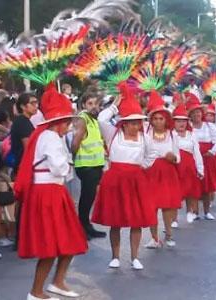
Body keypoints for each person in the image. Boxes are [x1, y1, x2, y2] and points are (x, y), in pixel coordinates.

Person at [14, 82, 87, 300]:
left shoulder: (46, 136)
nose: (69, 125)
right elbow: (60, 168)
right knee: (52, 244)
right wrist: (68, 163)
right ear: (59, 122)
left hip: (52, 192)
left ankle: (57, 282)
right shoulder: (51, 138)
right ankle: (36, 292)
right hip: (49, 193)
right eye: (67, 121)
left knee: (70, 239)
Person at [91, 85, 156, 271]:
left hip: (136, 181)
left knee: (136, 221)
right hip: (115, 182)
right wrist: (115, 105)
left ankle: (135, 257)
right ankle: (115, 256)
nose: (136, 126)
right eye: (133, 123)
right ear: (124, 123)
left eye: (138, 122)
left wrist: (142, 167)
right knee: (116, 220)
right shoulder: (113, 134)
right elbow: (101, 119)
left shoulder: (144, 138)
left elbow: (151, 155)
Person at [142, 91, 182, 248]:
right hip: (150, 173)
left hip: (167, 173)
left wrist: (173, 158)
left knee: (167, 206)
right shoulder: (146, 134)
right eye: (155, 118)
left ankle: (169, 234)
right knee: (151, 206)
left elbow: (178, 156)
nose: (158, 121)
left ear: (166, 120)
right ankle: (154, 238)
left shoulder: (172, 135)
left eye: (161, 118)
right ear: (151, 120)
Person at [70, 92, 107, 239]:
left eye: (96, 103)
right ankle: (82, 228)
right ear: (84, 105)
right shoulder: (83, 119)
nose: (94, 106)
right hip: (86, 165)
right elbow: (75, 143)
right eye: (90, 103)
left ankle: (86, 226)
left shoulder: (93, 120)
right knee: (86, 198)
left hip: (95, 164)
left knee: (90, 197)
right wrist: (73, 158)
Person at [189, 93, 216, 221]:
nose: (196, 115)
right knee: (194, 186)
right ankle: (195, 211)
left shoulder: (209, 126)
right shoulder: (189, 127)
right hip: (193, 158)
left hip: (207, 158)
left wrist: (212, 151)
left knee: (207, 187)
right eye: (194, 113)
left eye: (198, 112)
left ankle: (207, 211)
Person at [172, 99, 204, 230]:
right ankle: (173, 219)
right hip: (175, 168)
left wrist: (200, 169)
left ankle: (190, 211)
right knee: (175, 193)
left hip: (190, 167)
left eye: (183, 121)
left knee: (190, 191)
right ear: (173, 122)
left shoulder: (192, 135)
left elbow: (197, 153)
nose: (181, 124)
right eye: (178, 121)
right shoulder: (171, 135)